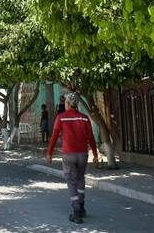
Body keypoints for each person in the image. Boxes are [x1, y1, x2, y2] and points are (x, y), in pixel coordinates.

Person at [47, 93, 98, 225]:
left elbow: (54, 137)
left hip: (69, 155)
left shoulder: (61, 117)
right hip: (83, 154)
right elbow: (91, 137)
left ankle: (76, 212)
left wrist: (49, 153)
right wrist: (95, 154)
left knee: (71, 182)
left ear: (68, 104)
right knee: (80, 179)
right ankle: (81, 206)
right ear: (77, 104)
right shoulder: (84, 118)